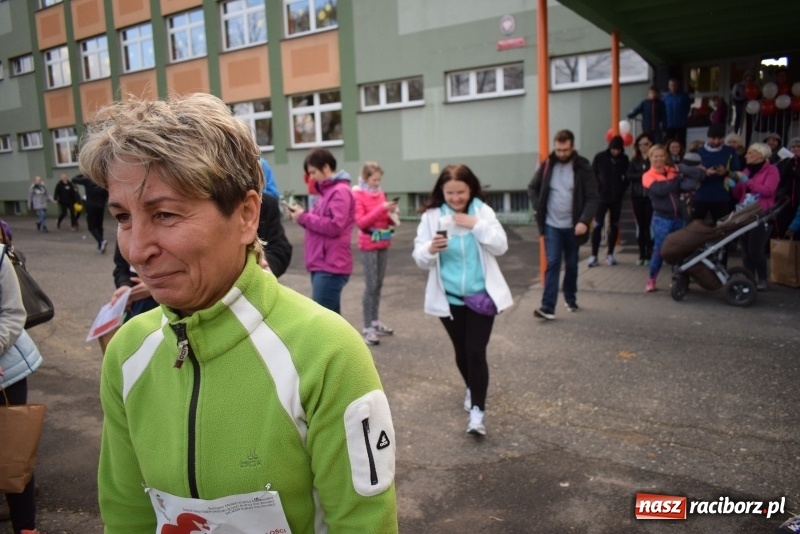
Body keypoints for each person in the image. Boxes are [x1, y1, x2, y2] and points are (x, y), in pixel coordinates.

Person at [79, 93, 397, 532]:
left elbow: (363, 522)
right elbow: (126, 512)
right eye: (123, 217)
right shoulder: (127, 352)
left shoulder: (328, 352)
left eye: (165, 214)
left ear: (247, 215)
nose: (136, 250)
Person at [412, 164, 513, 436]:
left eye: (461, 192)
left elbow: (500, 246)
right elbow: (420, 258)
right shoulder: (432, 217)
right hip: (450, 299)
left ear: (471, 190)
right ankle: (471, 386)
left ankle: (478, 412)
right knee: (461, 350)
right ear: (441, 191)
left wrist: (476, 226)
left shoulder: (481, 211)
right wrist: (431, 249)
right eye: (450, 193)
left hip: (481, 297)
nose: (456, 198)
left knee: (476, 351)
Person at [1, 222, 43, 534]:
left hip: (7, 372)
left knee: (14, 449)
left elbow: (13, 314)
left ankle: (25, 526)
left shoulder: (0, 256)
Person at [528, 129, 599, 319]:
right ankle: (548, 307)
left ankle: (570, 297)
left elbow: (593, 197)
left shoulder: (583, 167)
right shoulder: (548, 164)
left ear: (572, 147)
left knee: (573, 264)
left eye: (565, 150)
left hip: (574, 226)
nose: (561, 154)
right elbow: (532, 188)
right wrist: (539, 207)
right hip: (552, 224)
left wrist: (584, 220)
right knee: (553, 263)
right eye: (558, 150)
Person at [285, 148, 356, 314]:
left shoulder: (340, 191)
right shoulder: (325, 191)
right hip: (323, 263)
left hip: (330, 265)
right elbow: (318, 226)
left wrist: (304, 217)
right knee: (331, 322)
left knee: (322, 320)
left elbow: (334, 226)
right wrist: (300, 216)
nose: (311, 177)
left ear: (326, 167)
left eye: (313, 172)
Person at [642, 144, 702, 292]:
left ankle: (678, 280)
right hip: (661, 219)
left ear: (666, 157)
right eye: (655, 156)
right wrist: (676, 179)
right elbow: (661, 190)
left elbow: (690, 177)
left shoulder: (672, 170)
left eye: (662, 155)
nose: (659, 159)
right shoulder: (647, 176)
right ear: (650, 158)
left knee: (679, 250)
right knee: (660, 250)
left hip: (678, 217)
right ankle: (651, 280)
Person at [353, 161, 398, 346]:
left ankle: (375, 321)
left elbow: (384, 218)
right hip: (368, 243)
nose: (377, 183)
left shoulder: (380, 193)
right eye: (373, 179)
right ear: (364, 178)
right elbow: (361, 222)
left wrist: (391, 213)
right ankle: (366, 327)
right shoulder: (358, 194)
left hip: (383, 241)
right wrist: (382, 209)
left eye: (379, 179)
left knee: (378, 284)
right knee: (370, 285)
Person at [730, 143, 780, 290]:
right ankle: (749, 278)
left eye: (750, 153)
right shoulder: (747, 170)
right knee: (745, 250)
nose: (746, 156)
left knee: (755, 250)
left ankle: (763, 278)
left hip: (762, 213)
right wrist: (734, 184)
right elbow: (739, 194)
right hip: (745, 212)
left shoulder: (772, 170)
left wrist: (747, 181)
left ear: (761, 155)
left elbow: (768, 191)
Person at [588, 135, 629, 267]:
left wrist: (621, 189)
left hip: (616, 198)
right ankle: (594, 255)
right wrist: (598, 188)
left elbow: (627, 177)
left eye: (618, 150)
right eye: (613, 149)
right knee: (598, 225)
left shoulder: (624, 159)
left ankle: (610, 254)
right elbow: (592, 174)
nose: (615, 152)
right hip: (601, 197)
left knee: (614, 225)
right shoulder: (600, 157)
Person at [694, 123, 741, 223]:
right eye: (713, 138)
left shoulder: (730, 151)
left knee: (721, 227)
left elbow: (737, 172)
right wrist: (705, 173)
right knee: (695, 225)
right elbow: (691, 172)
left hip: (721, 195)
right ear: (708, 137)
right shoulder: (698, 151)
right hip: (701, 195)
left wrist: (725, 172)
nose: (716, 141)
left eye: (720, 138)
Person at [627, 133, 655, 265]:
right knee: (641, 226)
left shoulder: (654, 159)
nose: (643, 147)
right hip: (637, 195)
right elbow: (629, 175)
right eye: (640, 144)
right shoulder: (635, 160)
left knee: (649, 226)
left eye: (646, 144)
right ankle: (641, 253)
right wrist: (643, 175)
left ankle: (649, 253)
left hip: (650, 196)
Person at [71, 173, 109, 253]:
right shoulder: (101, 182)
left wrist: (81, 174)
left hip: (91, 206)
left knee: (91, 227)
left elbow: (74, 179)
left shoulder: (88, 180)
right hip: (100, 206)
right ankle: (100, 245)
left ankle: (101, 241)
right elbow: (106, 195)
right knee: (99, 226)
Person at [775, 137, 800, 239]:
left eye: (799, 146)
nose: (795, 149)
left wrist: (794, 169)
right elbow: (780, 180)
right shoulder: (784, 162)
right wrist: (787, 165)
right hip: (786, 200)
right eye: (793, 147)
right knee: (783, 226)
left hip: (798, 200)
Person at [663, 78, 691, 147]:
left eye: (675, 85)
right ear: (669, 86)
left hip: (681, 123)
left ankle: (682, 155)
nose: (673, 87)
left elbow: (687, 108)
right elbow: (662, 110)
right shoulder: (665, 97)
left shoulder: (684, 96)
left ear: (678, 86)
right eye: (671, 85)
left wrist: (683, 117)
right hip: (669, 124)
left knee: (681, 141)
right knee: (669, 142)